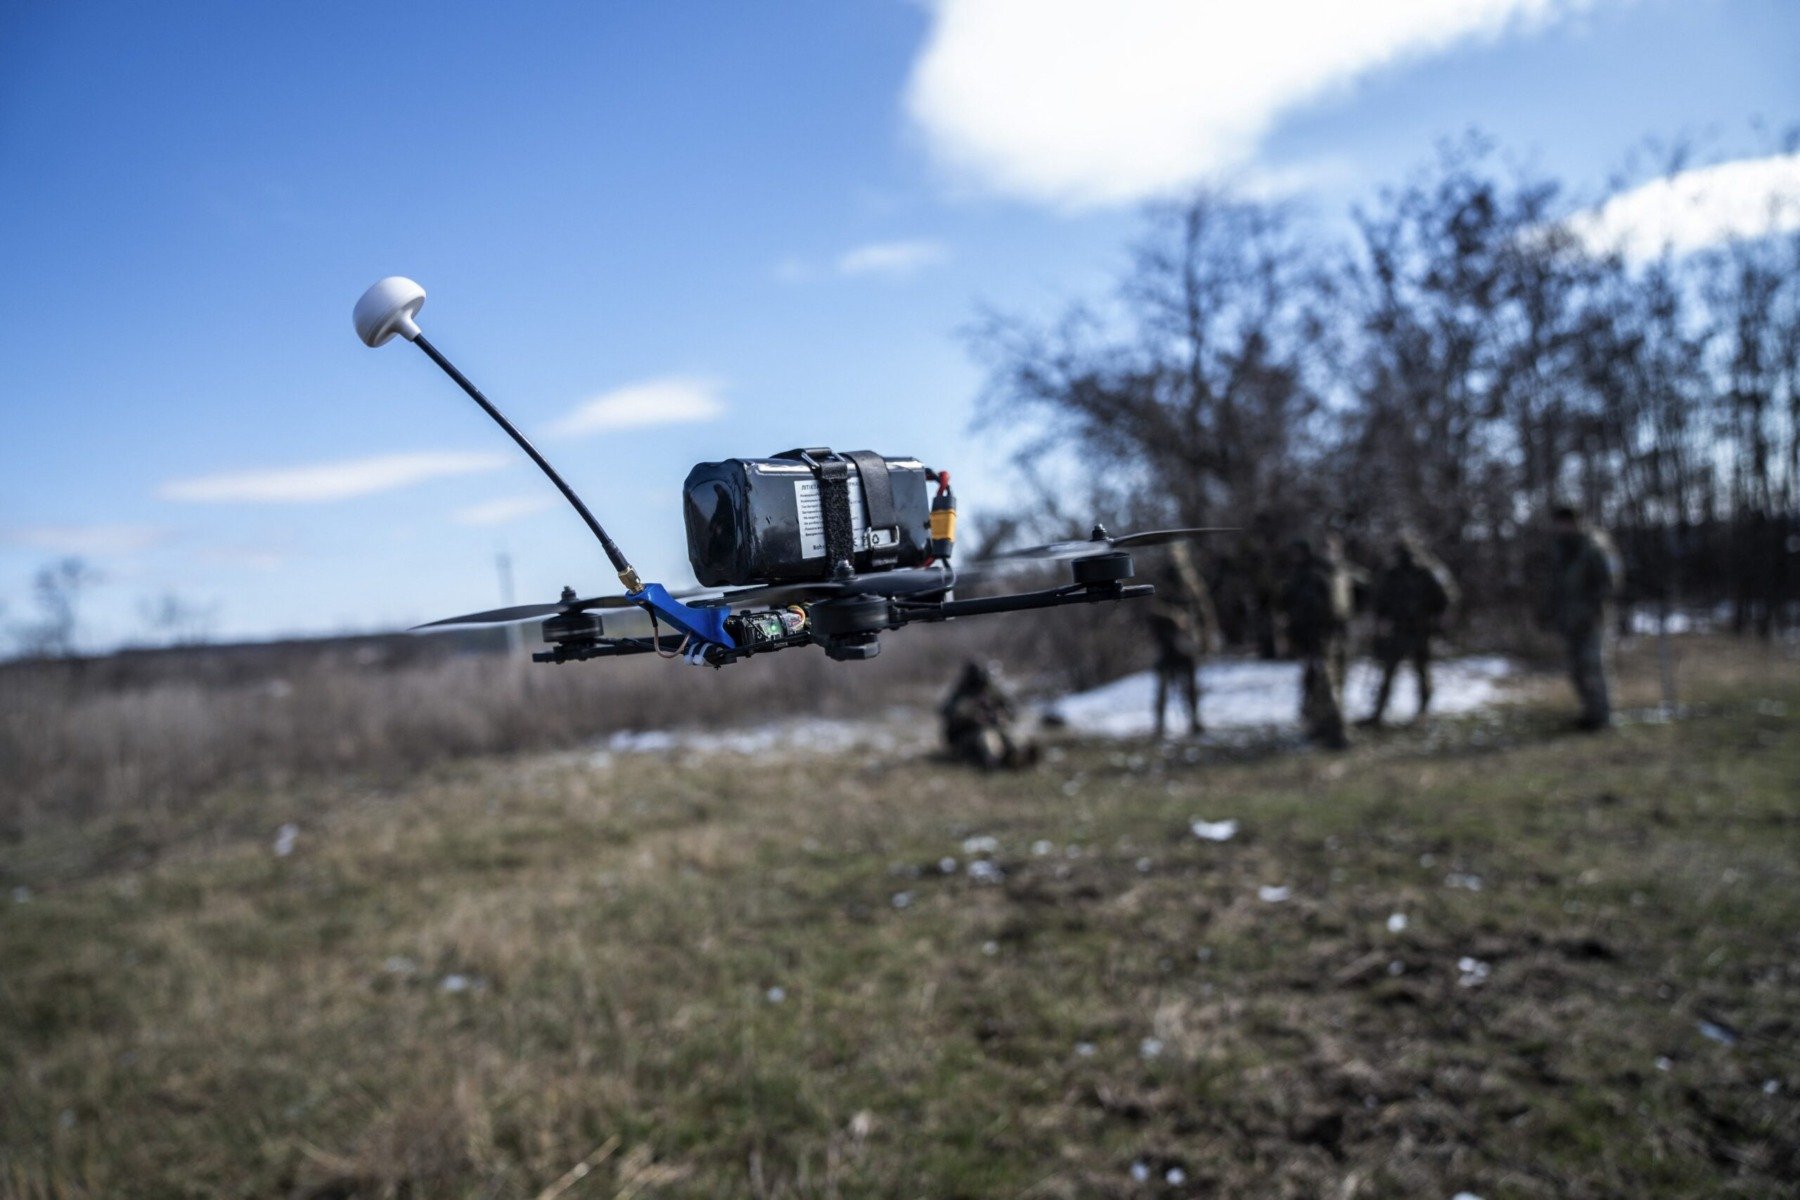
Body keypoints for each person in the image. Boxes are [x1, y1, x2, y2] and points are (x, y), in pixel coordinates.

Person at [1360, 534, 1458, 727]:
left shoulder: (1427, 571)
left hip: (1420, 628)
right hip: (1399, 628)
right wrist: (1381, 621)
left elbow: (1445, 597)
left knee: (1419, 671)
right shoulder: (1393, 572)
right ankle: (1380, 712)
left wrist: (1438, 621)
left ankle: (1422, 712)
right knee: (1392, 671)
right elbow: (1380, 599)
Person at [1539, 505, 1621, 730]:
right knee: (1576, 669)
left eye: (1565, 522)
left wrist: (1592, 609)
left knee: (1593, 666)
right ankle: (1589, 713)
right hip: (1569, 618)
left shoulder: (1595, 546)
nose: (1561, 528)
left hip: (1593, 618)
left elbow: (1610, 582)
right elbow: (1556, 584)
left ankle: (1602, 716)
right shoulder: (1561, 548)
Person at [1281, 536, 1356, 750]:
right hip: (1324, 637)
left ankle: (1331, 730)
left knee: (1328, 685)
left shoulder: (1329, 573)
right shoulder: (1322, 574)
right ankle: (1326, 729)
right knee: (1324, 684)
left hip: (1328, 637)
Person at [1146, 544, 1218, 738]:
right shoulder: (1162, 581)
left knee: (1190, 686)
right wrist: (1174, 617)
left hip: (1187, 643)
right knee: (1164, 685)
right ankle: (1160, 726)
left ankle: (1194, 721)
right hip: (1167, 643)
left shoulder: (1192, 583)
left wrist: (1205, 637)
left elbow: (1204, 611)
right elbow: (1153, 608)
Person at [941, 660, 1038, 769]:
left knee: (1010, 737)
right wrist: (972, 717)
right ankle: (995, 762)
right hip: (966, 735)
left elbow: (1012, 710)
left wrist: (1002, 715)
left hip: (995, 727)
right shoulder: (961, 694)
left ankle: (1018, 755)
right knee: (987, 737)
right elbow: (948, 713)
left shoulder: (992, 691)